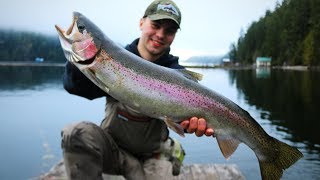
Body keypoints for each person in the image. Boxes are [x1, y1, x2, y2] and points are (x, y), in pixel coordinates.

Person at [61, 0, 214, 179]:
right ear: (141, 22)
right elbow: (76, 87)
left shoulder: (178, 75)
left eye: (169, 30)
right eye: (156, 25)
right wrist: (78, 58)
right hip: (114, 151)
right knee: (74, 133)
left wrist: (192, 125)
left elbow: (185, 122)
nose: (160, 34)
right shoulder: (111, 59)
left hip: (155, 156)